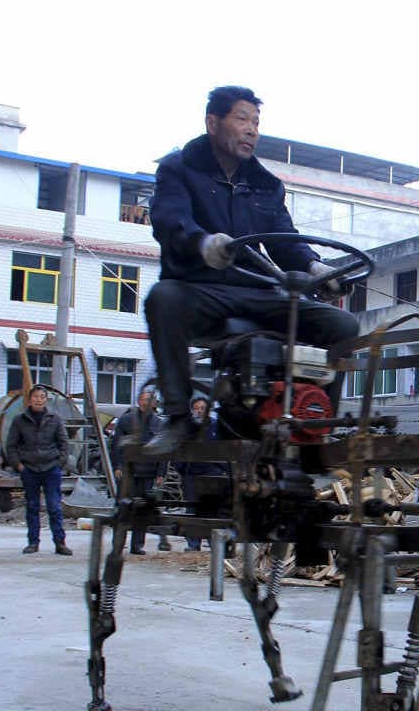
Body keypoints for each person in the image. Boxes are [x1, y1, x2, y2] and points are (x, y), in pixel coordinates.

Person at [142, 85, 359, 455]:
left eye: (256, 122)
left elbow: (284, 240)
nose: (251, 130)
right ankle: (178, 417)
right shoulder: (178, 169)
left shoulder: (265, 184)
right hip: (201, 288)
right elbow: (169, 220)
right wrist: (202, 243)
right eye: (242, 119)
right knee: (163, 299)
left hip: (256, 290)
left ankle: (315, 424)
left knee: (343, 326)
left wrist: (316, 267)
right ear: (213, 123)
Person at [5, 386, 73, 556]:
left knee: (54, 507)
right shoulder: (19, 420)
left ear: (46, 400)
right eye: (35, 396)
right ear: (30, 399)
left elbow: (64, 443)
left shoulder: (55, 419)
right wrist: (19, 465)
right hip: (29, 469)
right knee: (32, 507)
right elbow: (11, 445)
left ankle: (60, 543)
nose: (39, 400)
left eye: (42, 397)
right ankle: (33, 542)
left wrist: (59, 464)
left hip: (51, 469)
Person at [111, 389, 170, 554]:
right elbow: (115, 446)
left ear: (154, 403)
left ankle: (137, 545)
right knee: (122, 507)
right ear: (138, 401)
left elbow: (164, 451)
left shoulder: (159, 424)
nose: (146, 403)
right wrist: (117, 466)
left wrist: (161, 473)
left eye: (149, 400)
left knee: (142, 510)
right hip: (128, 472)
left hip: (148, 472)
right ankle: (117, 543)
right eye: (143, 399)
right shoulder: (126, 420)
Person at [178, 397, 226, 551]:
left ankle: (214, 544)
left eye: (202, 408)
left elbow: (224, 449)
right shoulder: (186, 428)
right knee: (191, 508)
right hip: (191, 473)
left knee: (212, 509)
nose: (199, 411)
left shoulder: (216, 426)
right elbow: (178, 449)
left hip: (212, 473)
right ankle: (193, 545)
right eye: (196, 408)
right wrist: (181, 468)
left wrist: (221, 468)